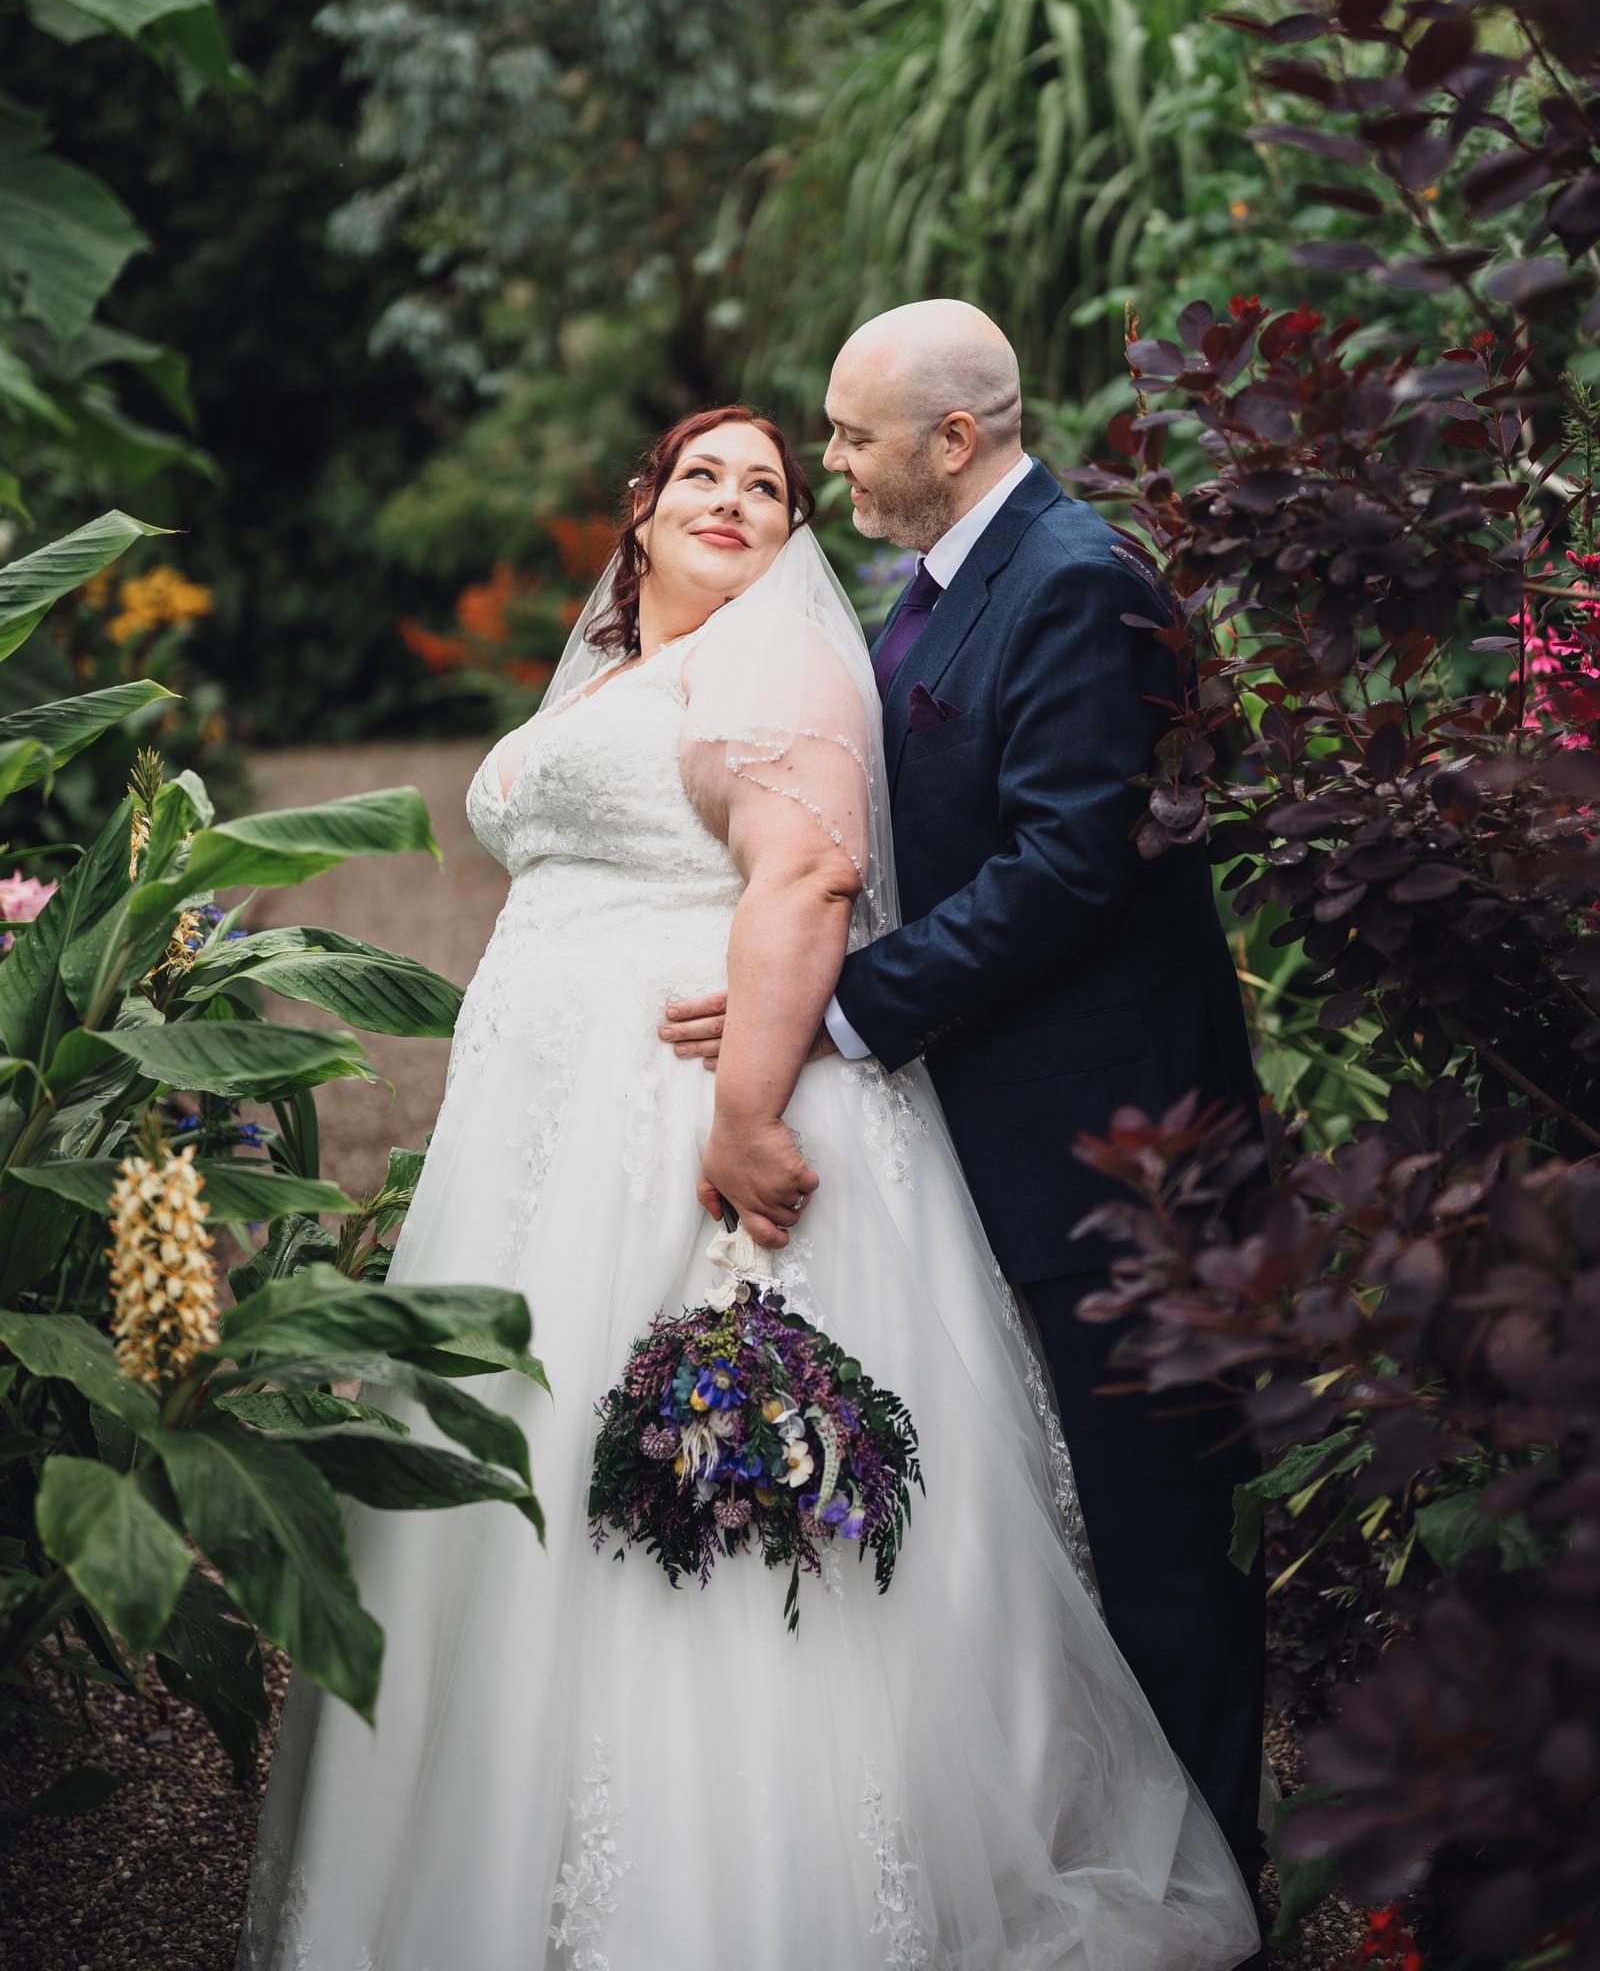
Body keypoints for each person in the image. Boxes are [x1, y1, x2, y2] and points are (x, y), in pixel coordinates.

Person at [235, 405, 1258, 1971]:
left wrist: (743, 1111)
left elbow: (807, 878)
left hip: (680, 1120)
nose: (740, 498)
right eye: (701, 475)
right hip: (535, 1139)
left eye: (775, 485)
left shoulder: (774, 658)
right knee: (520, 1477)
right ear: (638, 513)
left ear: (791, 539)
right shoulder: (622, 666)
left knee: (682, 1492)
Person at [662, 308, 1267, 1906]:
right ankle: (1144, 1856)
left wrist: (848, 1007)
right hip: (1017, 1129)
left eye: (854, 438)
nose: (833, 460)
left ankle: (1219, 1891)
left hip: (1120, 1153)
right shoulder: (943, 586)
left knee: (1160, 1538)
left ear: (955, 440)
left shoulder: (1073, 582)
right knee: (1088, 1532)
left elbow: (1069, 865)